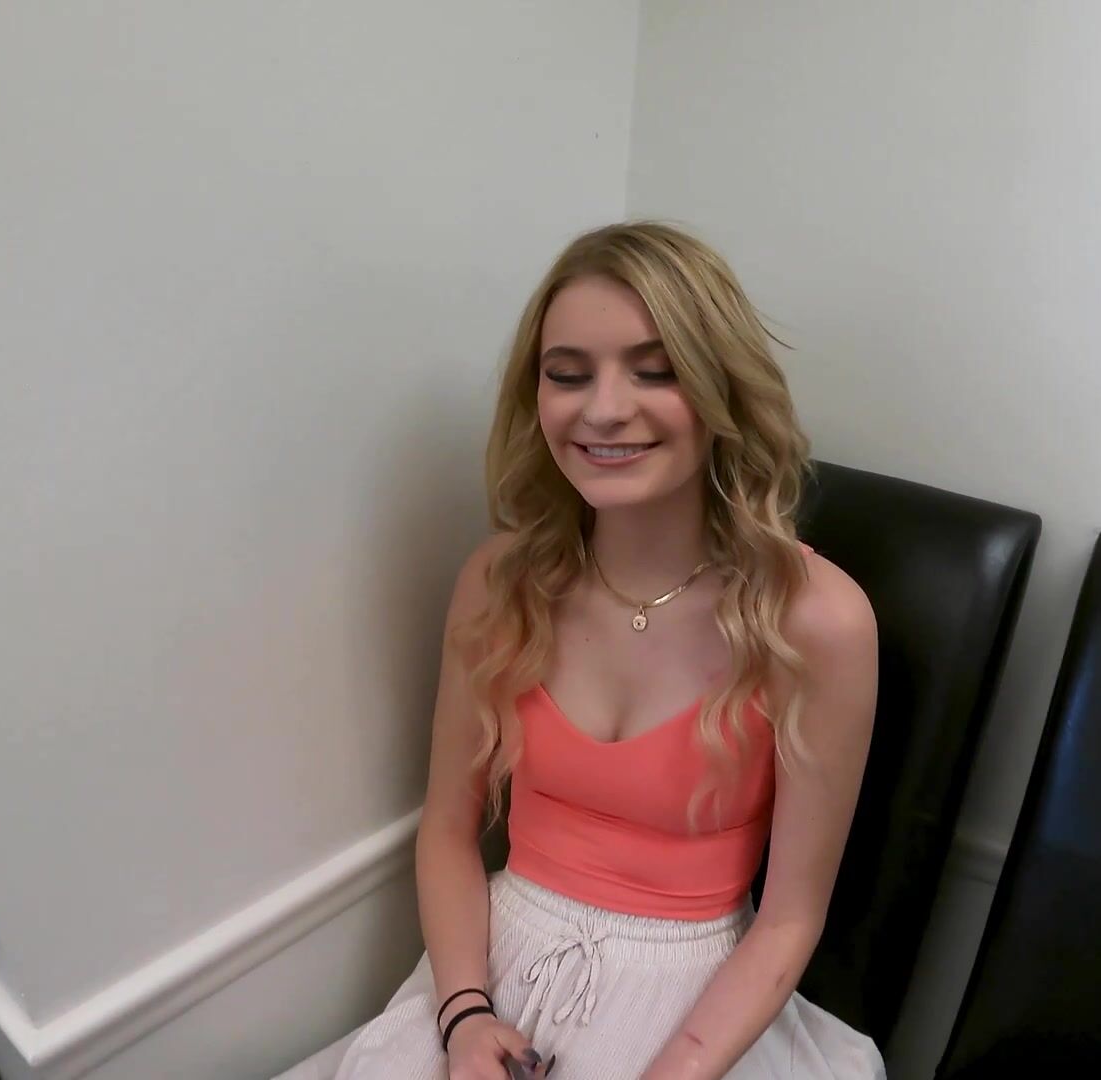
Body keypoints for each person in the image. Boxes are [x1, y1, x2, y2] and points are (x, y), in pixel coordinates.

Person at [334, 222, 885, 1080]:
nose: (602, 409)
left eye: (655, 371)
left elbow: (789, 920)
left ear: (721, 388)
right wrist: (465, 1015)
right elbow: (446, 828)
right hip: (491, 968)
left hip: (700, 1007)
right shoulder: (499, 581)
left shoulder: (818, 621)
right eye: (567, 374)